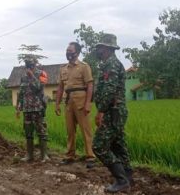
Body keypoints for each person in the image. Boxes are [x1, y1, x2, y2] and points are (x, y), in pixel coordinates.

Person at [92, 33, 133, 193]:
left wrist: (100, 111)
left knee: (99, 146)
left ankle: (121, 180)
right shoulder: (110, 64)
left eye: (100, 47)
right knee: (118, 144)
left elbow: (109, 90)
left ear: (108, 48)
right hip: (116, 111)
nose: (98, 50)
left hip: (112, 111)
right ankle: (128, 175)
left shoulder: (111, 65)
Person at [55, 42, 96, 168]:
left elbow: (90, 85)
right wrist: (57, 104)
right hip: (68, 102)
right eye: (67, 50)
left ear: (77, 53)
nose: (68, 53)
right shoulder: (63, 69)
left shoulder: (84, 67)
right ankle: (70, 155)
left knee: (85, 130)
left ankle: (90, 156)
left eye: (70, 51)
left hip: (81, 102)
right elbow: (60, 87)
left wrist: (88, 103)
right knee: (70, 131)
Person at [16, 58, 49, 162]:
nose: (29, 67)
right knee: (28, 132)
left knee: (41, 131)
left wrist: (32, 76)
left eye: (31, 65)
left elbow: (39, 87)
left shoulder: (42, 74)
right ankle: (29, 155)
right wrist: (18, 107)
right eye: (27, 65)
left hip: (38, 108)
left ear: (35, 64)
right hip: (27, 109)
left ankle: (44, 156)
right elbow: (21, 92)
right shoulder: (23, 76)